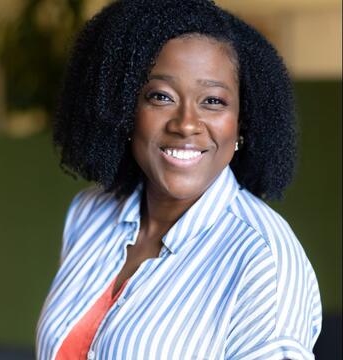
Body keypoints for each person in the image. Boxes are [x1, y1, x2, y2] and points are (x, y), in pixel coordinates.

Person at [36, 0, 322, 359]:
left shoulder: (264, 260)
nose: (186, 123)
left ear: (241, 122)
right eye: (161, 96)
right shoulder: (90, 214)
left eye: (213, 101)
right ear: (126, 107)